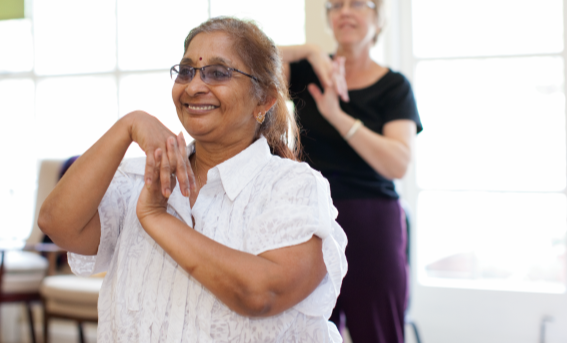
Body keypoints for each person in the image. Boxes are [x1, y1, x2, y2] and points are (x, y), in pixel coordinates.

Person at [38, 17, 348, 343]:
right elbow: (57, 223)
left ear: (265, 100)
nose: (194, 86)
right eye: (186, 71)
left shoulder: (292, 187)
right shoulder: (142, 178)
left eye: (218, 72)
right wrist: (127, 126)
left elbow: (261, 294)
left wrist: (157, 218)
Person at [279, 1, 423, 342]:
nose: (345, 11)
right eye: (336, 4)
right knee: (305, 328)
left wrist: (336, 114)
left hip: (371, 223)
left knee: (377, 332)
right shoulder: (304, 73)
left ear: (378, 18)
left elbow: (398, 162)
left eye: (357, 3)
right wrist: (310, 51)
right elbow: (245, 54)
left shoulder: (394, 87)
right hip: (310, 218)